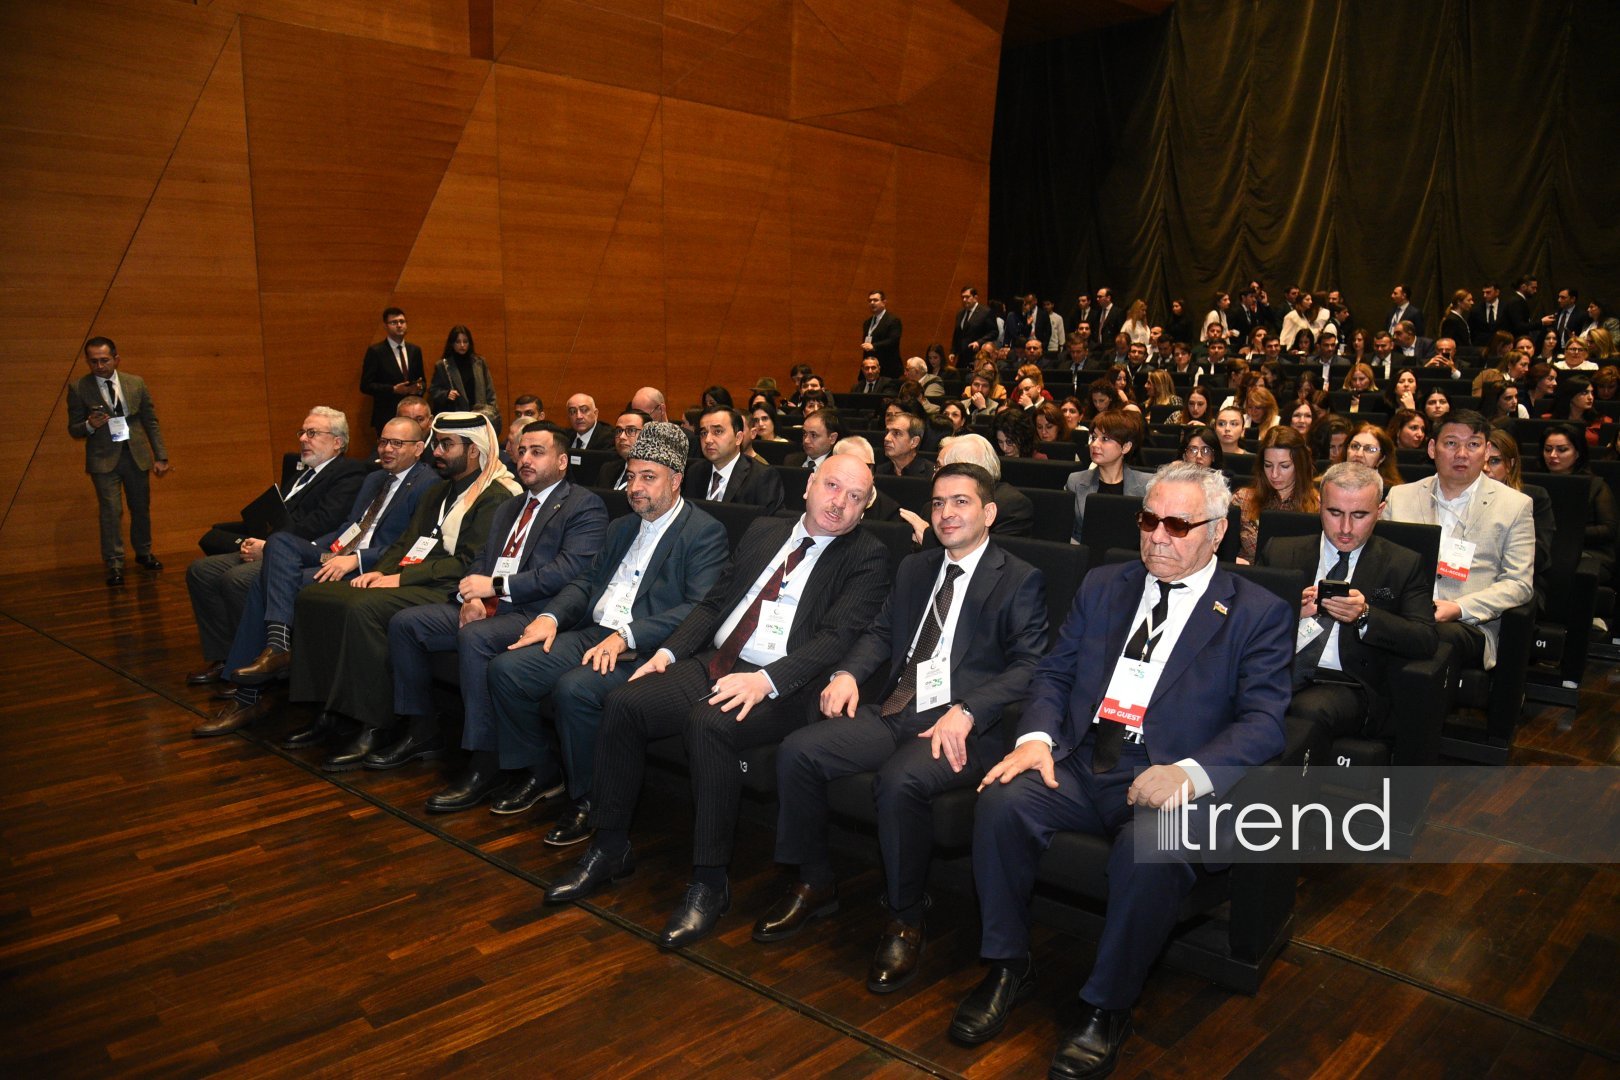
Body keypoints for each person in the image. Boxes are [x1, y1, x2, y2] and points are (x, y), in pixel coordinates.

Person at [952, 462, 1292, 1077]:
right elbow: (1055, 673)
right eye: (1148, 519)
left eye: (1177, 524)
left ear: (1217, 532)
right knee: (1002, 802)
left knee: (1148, 850)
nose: (1157, 535)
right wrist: (1034, 738)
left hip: (1170, 776)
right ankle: (1007, 966)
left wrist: (1189, 772)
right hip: (1084, 762)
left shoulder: (1256, 612)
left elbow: (1266, 722)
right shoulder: (1105, 583)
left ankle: (1105, 1007)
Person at [544, 455, 891, 952]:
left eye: (855, 497)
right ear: (809, 484)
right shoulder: (765, 531)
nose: (840, 503)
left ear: (864, 508)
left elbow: (836, 639)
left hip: (787, 686)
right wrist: (665, 654)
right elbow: (713, 603)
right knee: (625, 702)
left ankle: (709, 883)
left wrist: (766, 680)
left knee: (709, 724)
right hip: (717, 661)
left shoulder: (867, 555)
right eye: (833, 486)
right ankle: (609, 847)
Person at [759, 464, 1048, 991]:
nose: (946, 513)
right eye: (938, 503)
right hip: (895, 707)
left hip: (959, 724)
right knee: (799, 751)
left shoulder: (1019, 578)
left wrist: (970, 709)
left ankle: (905, 915)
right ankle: (815, 881)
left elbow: (1030, 666)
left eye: (960, 502)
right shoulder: (916, 568)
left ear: (988, 513)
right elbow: (880, 631)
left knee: (900, 781)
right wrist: (847, 672)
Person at [481, 423, 731, 840]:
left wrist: (629, 634)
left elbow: (698, 608)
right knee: (507, 670)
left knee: (575, 690)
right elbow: (585, 583)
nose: (635, 488)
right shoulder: (621, 526)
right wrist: (551, 618)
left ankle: (592, 798)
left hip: (643, 647)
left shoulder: (703, 532)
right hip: (594, 630)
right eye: (631, 476)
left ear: (676, 480)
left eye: (648, 478)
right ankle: (543, 773)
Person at [373, 421, 609, 783]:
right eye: (522, 451)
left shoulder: (583, 505)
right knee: (407, 623)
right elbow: (481, 561)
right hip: (490, 607)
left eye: (537, 452)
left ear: (562, 462)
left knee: (475, 638)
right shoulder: (508, 505)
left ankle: (485, 760)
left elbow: (566, 572)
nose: (525, 459)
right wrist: (469, 596)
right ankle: (421, 732)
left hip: (535, 612)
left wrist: (494, 587)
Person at [283, 414, 522, 760]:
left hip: (447, 587)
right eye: (435, 443)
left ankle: (375, 722)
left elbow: (466, 562)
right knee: (315, 596)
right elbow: (406, 543)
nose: (435, 451)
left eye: (445, 445)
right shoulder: (438, 491)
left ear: (474, 451)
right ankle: (330, 710)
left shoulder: (494, 496)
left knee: (361, 609)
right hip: (415, 578)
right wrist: (379, 572)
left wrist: (399, 578)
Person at [201, 418, 434, 737]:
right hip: (338, 552)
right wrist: (320, 550)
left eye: (397, 443)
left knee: (264, 582)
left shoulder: (428, 483)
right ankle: (277, 646)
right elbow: (349, 527)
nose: (387, 449)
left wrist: (354, 561)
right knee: (280, 543)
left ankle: (251, 690)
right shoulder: (375, 479)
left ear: (419, 449)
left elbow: (409, 543)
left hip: (372, 564)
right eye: (382, 442)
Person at [1257, 462, 1437, 753]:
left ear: (1379, 511)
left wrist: (1365, 616)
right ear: (1320, 504)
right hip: (1279, 668)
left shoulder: (1402, 564)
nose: (1345, 528)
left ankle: (1284, 795)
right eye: (1335, 513)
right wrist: (1290, 614)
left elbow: (1425, 639)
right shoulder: (1280, 551)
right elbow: (1244, 623)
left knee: (1307, 711)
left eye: (1360, 515)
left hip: (1350, 683)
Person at [184, 408, 367, 686]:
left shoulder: (347, 472)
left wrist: (269, 545)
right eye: (302, 432)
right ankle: (225, 656)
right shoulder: (301, 471)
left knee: (237, 580)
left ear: (338, 442)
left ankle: (255, 663)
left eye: (313, 433)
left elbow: (322, 520)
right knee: (201, 571)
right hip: (270, 542)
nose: (304, 439)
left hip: (300, 550)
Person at [1384, 412, 1535, 669]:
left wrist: (1458, 607)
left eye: (1473, 444)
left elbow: (1519, 583)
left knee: (1433, 639)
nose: (1462, 453)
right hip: (1403, 613)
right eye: (1451, 443)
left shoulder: (1515, 505)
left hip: (1466, 624)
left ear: (1487, 451)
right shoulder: (1400, 497)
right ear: (1432, 448)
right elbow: (1381, 563)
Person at [68, 336, 171, 586]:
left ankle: (144, 553)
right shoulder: (79, 387)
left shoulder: (136, 383)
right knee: (111, 511)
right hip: (103, 460)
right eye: (93, 362)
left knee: (140, 507)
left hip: (136, 455)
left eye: (104, 360)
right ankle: (114, 563)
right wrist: (89, 425)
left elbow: (151, 421)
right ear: (88, 362)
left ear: (116, 359)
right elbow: (74, 428)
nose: (99, 366)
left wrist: (161, 456)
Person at [1483, 429, 1554, 609]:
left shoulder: (1534, 498)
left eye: (1494, 461)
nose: (1485, 468)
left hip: (1519, 582)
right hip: (1471, 578)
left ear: (1510, 464)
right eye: (1480, 461)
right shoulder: (1459, 498)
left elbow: (1539, 557)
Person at [1539, 423, 1617, 585]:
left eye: (1562, 450)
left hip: (1588, 551)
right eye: (1548, 449)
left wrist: (1566, 534)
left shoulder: (1596, 485)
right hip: (1545, 549)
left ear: (1577, 453)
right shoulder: (1536, 485)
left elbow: (1608, 529)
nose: (1553, 455)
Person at [1234, 426, 1319, 562]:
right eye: (1268, 465)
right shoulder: (1243, 499)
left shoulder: (1319, 506)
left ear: (1300, 465)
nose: (1274, 474)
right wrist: (1233, 559)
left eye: (1284, 466)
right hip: (1247, 576)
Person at [1064, 410, 1150, 543]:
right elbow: (1069, 532)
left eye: (1105, 439)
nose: (1095, 444)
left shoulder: (1148, 485)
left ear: (1126, 447)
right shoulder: (1075, 481)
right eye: (1093, 437)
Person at [683, 406, 785, 512]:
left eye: (717, 431)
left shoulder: (762, 477)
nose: (708, 440)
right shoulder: (695, 472)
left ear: (738, 438)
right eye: (704, 433)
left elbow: (770, 525)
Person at [934, 434, 1035, 537]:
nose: (934, 474)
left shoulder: (1011, 506)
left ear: (965, 470)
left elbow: (998, 550)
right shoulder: (934, 505)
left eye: (940, 467)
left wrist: (927, 536)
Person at [359, 308, 424, 435]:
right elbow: (365, 386)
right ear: (386, 326)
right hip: (387, 415)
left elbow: (422, 380)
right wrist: (393, 389)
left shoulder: (415, 350)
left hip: (412, 415)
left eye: (402, 321)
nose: (399, 325)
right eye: (394, 322)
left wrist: (418, 388)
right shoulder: (376, 351)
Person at [428, 325, 499, 425]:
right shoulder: (443, 365)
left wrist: (492, 412)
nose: (462, 345)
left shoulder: (479, 362)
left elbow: (490, 391)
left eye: (465, 341)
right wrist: (446, 394)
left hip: (480, 416)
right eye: (458, 342)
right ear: (452, 344)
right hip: (456, 416)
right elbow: (433, 391)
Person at [597, 410, 649, 490]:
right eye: (619, 431)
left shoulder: (653, 475)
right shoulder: (607, 470)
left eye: (631, 430)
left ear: (647, 435)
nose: (622, 436)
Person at [1345, 421, 1402, 493]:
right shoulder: (1330, 482)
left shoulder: (1392, 492)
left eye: (1369, 449)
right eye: (1355, 446)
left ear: (1381, 458)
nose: (1359, 454)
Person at [1549, 377, 1604, 447]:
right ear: (1570, 395)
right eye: (1584, 393)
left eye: (1592, 393)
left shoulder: (1602, 421)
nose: (1590, 397)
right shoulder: (1548, 420)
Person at [862, 290, 903, 379]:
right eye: (870, 301)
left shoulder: (893, 320)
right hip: (870, 369)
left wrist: (874, 346)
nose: (872, 303)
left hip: (888, 368)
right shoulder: (867, 322)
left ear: (884, 302)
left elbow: (893, 340)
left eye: (875, 300)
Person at [953, 286, 998, 366]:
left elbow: (994, 332)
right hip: (962, 358)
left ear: (975, 297)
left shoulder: (985, 312)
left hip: (977, 356)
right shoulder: (960, 313)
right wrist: (953, 352)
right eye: (962, 297)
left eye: (967, 297)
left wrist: (979, 342)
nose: (964, 300)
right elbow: (957, 334)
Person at [882, 412, 932, 477]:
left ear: (914, 442)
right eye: (887, 432)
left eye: (896, 433)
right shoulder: (880, 471)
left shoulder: (930, 474)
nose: (886, 438)